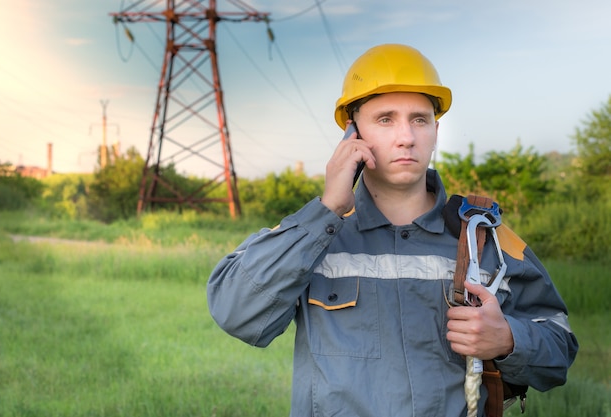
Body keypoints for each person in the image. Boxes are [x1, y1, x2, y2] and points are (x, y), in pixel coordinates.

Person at [207, 44, 578, 417]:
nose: (406, 137)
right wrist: (328, 210)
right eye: (385, 119)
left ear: (436, 129)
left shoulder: (484, 240)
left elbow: (560, 345)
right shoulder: (309, 237)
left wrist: (509, 339)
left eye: (419, 119)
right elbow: (236, 311)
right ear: (352, 133)